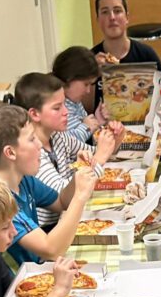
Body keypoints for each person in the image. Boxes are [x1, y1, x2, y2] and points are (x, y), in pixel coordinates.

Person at [0, 103, 98, 266]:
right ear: (10, 152)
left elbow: (61, 202)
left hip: (38, 267)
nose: (40, 144)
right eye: (32, 139)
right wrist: (80, 197)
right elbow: (51, 249)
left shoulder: (23, 179)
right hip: (20, 278)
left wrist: (77, 175)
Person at [12, 71, 123, 228]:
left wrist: (114, 140)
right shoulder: (32, 151)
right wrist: (99, 158)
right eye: (57, 108)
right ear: (35, 114)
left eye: (64, 104)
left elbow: (94, 153)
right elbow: (62, 196)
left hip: (68, 218)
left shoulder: (57, 136)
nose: (66, 112)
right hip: (50, 228)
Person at [91, 0, 161, 75]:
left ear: (127, 17)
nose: (112, 17)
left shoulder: (146, 55)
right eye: (105, 12)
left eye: (117, 11)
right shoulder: (90, 62)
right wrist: (91, 73)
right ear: (98, 20)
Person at [52, 44, 110, 143]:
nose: (88, 91)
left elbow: (86, 138)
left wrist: (97, 122)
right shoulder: (58, 108)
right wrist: (87, 128)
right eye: (86, 84)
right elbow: (67, 143)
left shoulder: (75, 102)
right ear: (69, 78)